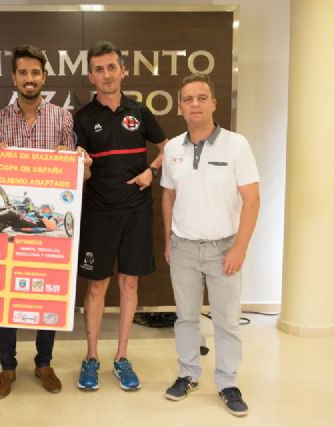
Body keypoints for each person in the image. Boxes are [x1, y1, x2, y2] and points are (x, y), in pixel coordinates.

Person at [0, 44, 91, 399]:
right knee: (6, 293)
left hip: (46, 225)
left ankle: (44, 363)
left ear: (44, 77)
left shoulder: (63, 118)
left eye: (35, 73)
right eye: (23, 73)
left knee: (48, 292)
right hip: (11, 226)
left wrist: (72, 159)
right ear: (14, 78)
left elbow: (74, 174)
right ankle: (7, 366)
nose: (29, 79)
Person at [161, 73, 260, 417]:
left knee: (227, 321)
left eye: (201, 98)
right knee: (186, 318)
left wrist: (240, 248)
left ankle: (228, 383)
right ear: (180, 106)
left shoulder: (237, 145)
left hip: (223, 249)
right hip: (184, 248)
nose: (195, 105)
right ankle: (188, 374)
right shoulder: (172, 148)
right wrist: (168, 240)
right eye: (188, 99)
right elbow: (168, 196)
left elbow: (252, 199)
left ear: (214, 104)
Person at [74, 41, 167, 391]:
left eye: (112, 67)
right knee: (97, 285)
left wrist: (151, 172)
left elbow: (167, 147)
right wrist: (83, 166)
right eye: (99, 69)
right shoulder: (83, 118)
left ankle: (122, 357)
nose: (107, 75)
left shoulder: (139, 111)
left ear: (123, 71)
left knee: (130, 283)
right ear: (91, 77)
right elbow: (81, 172)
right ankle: (91, 357)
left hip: (136, 211)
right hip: (98, 212)